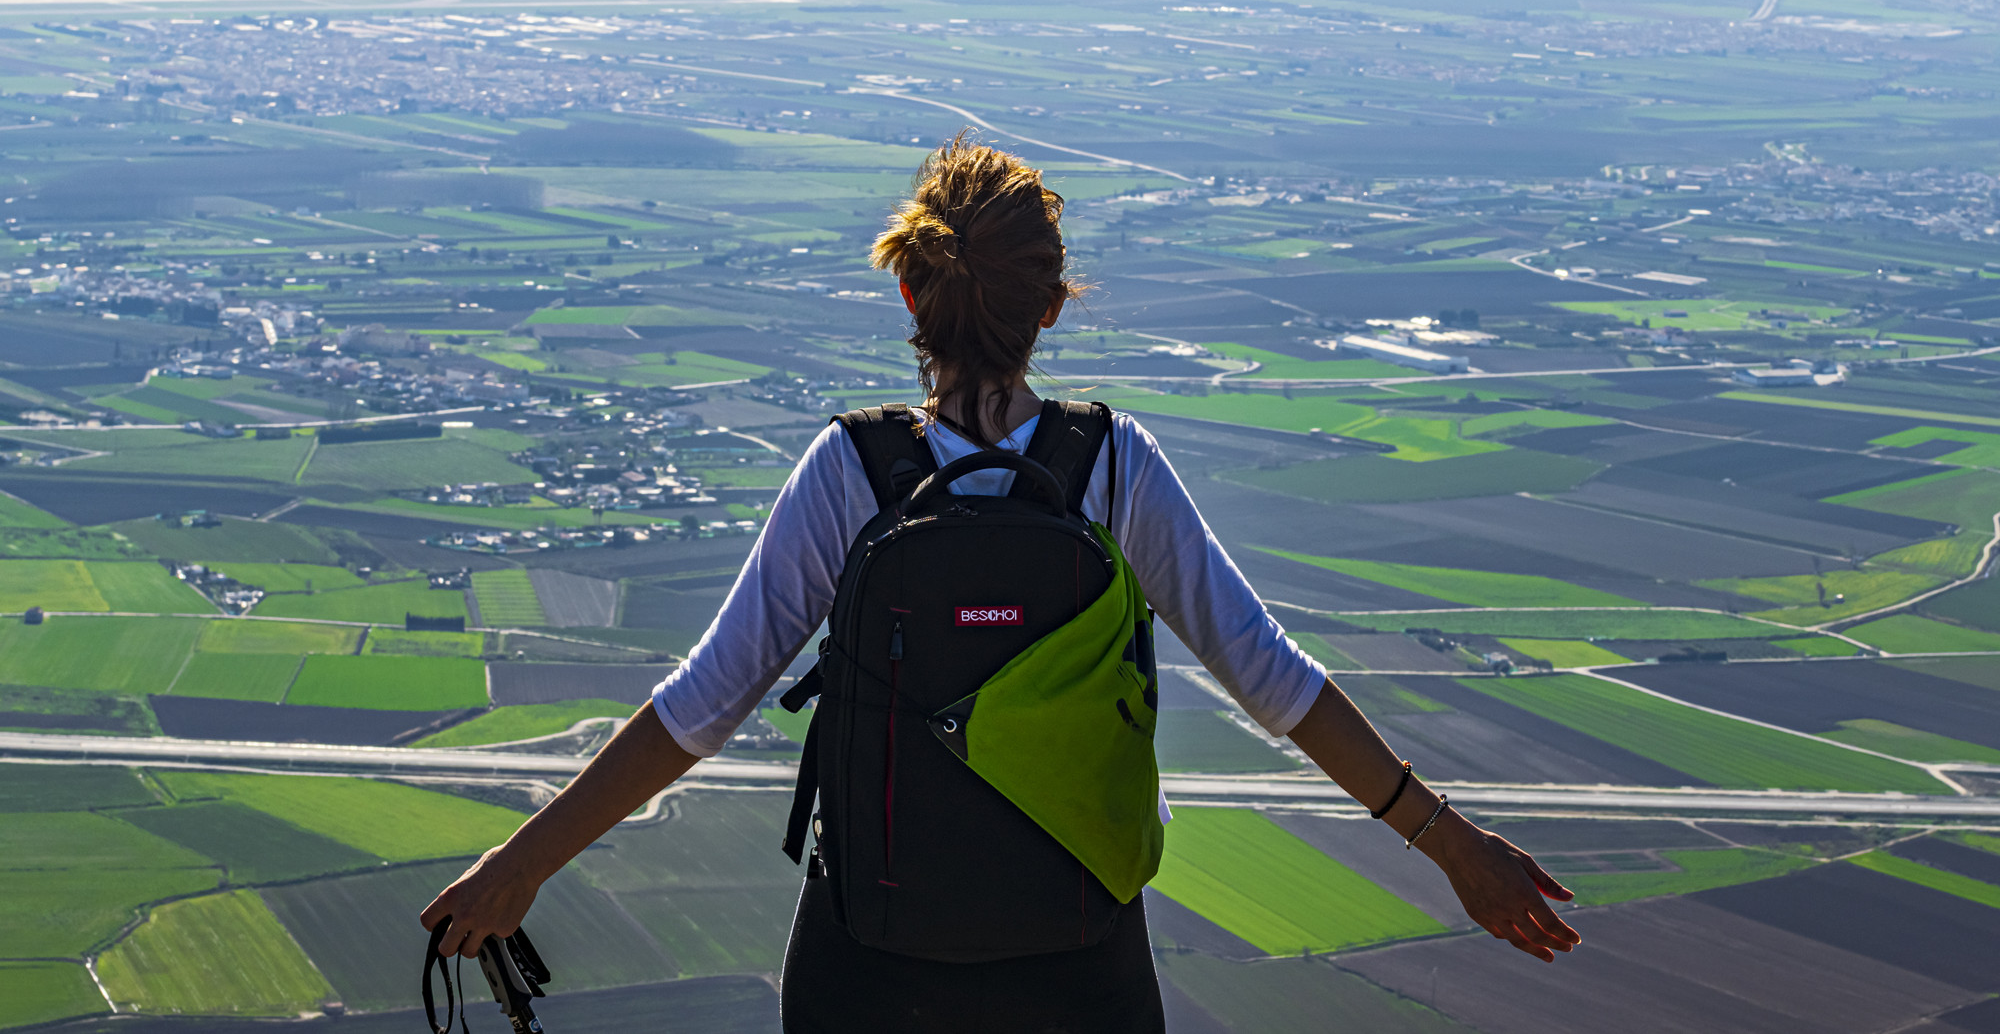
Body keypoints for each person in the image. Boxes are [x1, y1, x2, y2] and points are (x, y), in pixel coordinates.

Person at [422, 135, 1581, 1032]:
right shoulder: (1112, 466)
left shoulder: (851, 471)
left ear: (911, 296)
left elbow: (702, 704)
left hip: (867, 958)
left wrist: (518, 866)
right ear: (1050, 303)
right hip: (1077, 958)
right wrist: (1448, 842)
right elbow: (1270, 677)